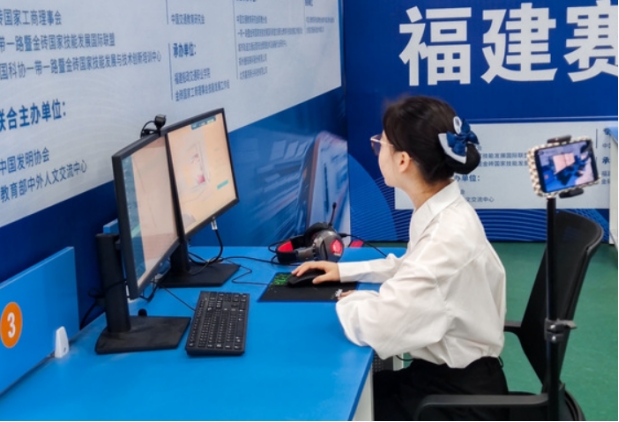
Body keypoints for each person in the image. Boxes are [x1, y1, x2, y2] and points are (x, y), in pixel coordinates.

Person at [292, 95, 508, 420]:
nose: (377, 149)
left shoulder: (444, 240)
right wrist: (346, 272)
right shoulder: (445, 211)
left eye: (381, 143)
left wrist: (347, 299)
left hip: (456, 403)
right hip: (447, 379)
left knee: (330, 405)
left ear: (403, 160)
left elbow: (379, 328)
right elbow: (412, 265)